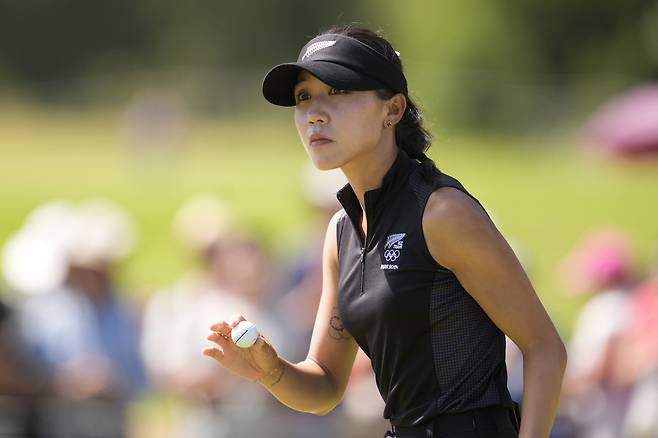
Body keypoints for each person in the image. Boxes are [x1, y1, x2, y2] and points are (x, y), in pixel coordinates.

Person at [203, 25, 566, 438]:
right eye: (304, 97)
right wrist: (270, 371)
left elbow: (545, 350)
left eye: (337, 92)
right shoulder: (341, 233)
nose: (315, 113)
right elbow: (324, 386)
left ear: (392, 110)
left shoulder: (442, 213)